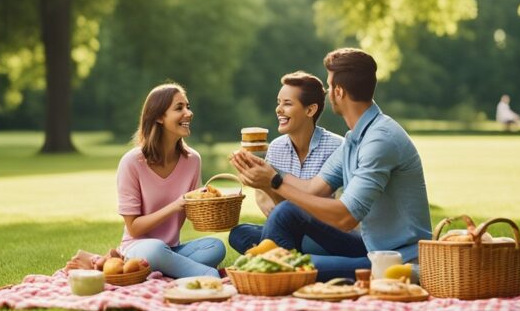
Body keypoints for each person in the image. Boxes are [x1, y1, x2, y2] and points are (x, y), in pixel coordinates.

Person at [230, 48, 431, 281]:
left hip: (396, 260)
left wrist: (274, 182)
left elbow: (346, 217)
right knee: (286, 213)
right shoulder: (354, 139)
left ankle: (273, 266)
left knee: (297, 261)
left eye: (329, 86)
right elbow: (311, 189)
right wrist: (266, 174)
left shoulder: (380, 139)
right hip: (369, 246)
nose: (327, 93)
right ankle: (275, 262)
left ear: (339, 91)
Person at [64, 83, 225, 278]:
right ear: (158, 117)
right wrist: (177, 205)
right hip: (137, 248)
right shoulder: (132, 162)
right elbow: (133, 227)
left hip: (171, 249)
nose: (188, 113)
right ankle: (208, 275)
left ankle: (161, 269)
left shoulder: (192, 160)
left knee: (215, 247)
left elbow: (193, 212)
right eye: (179, 108)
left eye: (188, 107)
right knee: (155, 249)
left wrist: (209, 203)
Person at [228, 71, 343, 255]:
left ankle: (276, 254)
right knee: (240, 233)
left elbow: (338, 213)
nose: (278, 109)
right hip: (286, 230)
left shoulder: (337, 147)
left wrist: (271, 184)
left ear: (310, 110)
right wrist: (264, 186)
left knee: (282, 237)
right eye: (278, 102)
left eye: (287, 103)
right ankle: (286, 254)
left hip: (323, 234)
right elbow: (276, 212)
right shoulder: (276, 147)